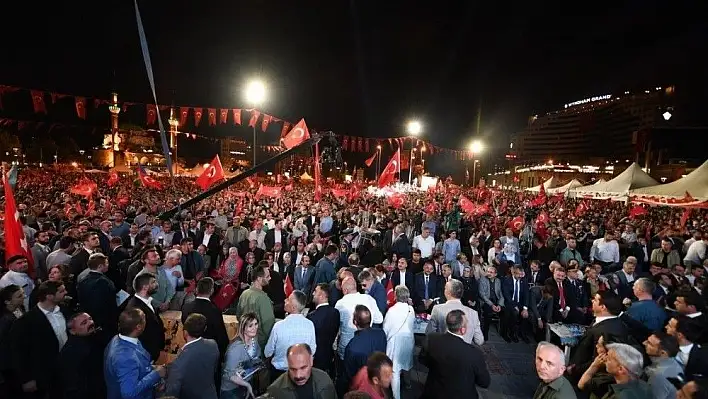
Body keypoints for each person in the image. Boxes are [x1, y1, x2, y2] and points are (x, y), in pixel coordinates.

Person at [9, 280, 68, 399]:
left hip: (66, 369)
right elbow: (19, 353)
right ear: (49, 296)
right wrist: (27, 379)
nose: (66, 292)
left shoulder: (65, 310)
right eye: (61, 291)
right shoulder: (25, 322)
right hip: (44, 375)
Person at [421, 310, 491, 398]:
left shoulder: (432, 339)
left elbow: (422, 360)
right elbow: (484, 382)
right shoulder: (474, 353)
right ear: (463, 330)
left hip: (433, 393)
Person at [104, 308, 166, 399]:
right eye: (144, 319)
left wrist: (153, 369)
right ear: (138, 327)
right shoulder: (125, 357)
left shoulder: (121, 338)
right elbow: (129, 393)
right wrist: (156, 374)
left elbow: (138, 366)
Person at [164, 313, 220, 399]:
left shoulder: (181, 360)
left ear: (185, 332)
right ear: (204, 329)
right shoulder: (213, 344)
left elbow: (172, 391)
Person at [265, 290, 317, 382]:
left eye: (288, 299)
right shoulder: (310, 325)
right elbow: (312, 350)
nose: (285, 300)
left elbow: (268, 352)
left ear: (293, 307)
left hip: (279, 374)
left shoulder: (279, 326)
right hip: (301, 374)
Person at [340, 305, 387, 396]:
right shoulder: (381, 333)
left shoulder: (352, 347)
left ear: (354, 322)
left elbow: (348, 375)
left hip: (361, 390)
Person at [57, 312, 104, 399]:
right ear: (73, 331)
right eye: (84, 323)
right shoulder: (70, 353)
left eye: (90, 319)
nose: (90, 323)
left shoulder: (95, 338)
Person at [181, 277, 229, 360]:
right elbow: (222, 338)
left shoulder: (186, 308)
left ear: (196, 290)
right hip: (209, 356)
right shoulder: (215, 311)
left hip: (190, 355)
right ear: (211, 291)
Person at [267, 344, 337, 399]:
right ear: (288, 364)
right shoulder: (275, 391)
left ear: (311, 361)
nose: (298, 375)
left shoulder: (324, 379)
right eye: (293, 369)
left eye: (303, 368)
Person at [123, 272, 165, 362]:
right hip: (146, 355)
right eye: (153, 282)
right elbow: (138, 334)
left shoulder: (148, 301)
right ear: (145, 287)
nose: (156, 284)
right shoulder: (134, 308)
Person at [428, 279, 484, 345]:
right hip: (465, 352)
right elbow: (479, 341)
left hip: (442, 352)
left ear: (448, 292)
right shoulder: (473, 313)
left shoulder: (437, 309)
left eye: (445, 288)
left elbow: (429, 333)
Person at [221, 313, 263, 399]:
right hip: (231, 388)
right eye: (250, 326)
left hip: (245, 382)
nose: (254, 328)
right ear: (243, 328)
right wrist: (247, 385)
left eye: (256, 324)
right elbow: (230, 375)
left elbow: (255, 359)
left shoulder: (254, 341)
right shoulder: (236, 348)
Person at [383, 286, 415, 399]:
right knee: (407, 364)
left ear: (395, 295)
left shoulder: (391, 311)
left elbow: (386, 328)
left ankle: (397, 396)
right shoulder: (411, 309)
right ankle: (408, 383)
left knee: (395, 370)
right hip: (408, 342)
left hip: (395, 343)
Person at [236, 264, 275, 349]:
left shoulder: (244, 294)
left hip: (244, 340)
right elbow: (268, 325)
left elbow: (238, 316)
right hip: (259, 344)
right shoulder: (263, 298)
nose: (270, 278)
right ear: (259, 279)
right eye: (267, 276)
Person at [307, 283, 340, 375]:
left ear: (321, 295)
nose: (313, 294)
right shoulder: (336, 313)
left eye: (315, 291)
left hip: (316, 359)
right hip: (329, 356)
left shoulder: (311, 316)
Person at [643, 332, 683, 399]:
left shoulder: (658, 376)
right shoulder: (674, 362)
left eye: (649, 343)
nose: (644, 343)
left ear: (663, 353)